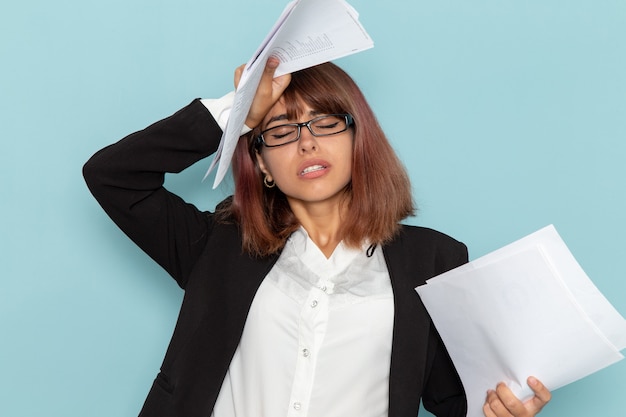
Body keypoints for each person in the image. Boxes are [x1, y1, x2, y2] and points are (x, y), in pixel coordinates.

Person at [83, 57, 551, 417]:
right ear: (261, 163)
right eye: (282, 130)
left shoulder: (434, 259)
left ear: (357, 141)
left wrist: (498, 409)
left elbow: (456, 400)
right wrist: (238, 111)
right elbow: (112, 175)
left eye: (327, 123)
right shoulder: (217, 245)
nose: (307, 142)